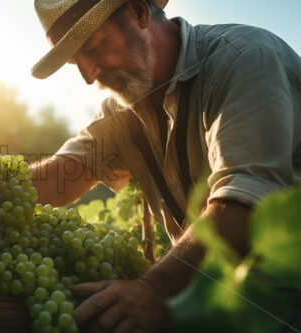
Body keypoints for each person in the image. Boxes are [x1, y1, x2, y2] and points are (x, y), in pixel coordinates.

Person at [29, 0, 301, 331]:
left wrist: (155, 288)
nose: (88, 75)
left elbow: (245, 203)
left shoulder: (243, 59)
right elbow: (58, 175)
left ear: (139, 12)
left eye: (93, 46)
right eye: (76, 62)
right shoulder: (124, 112)